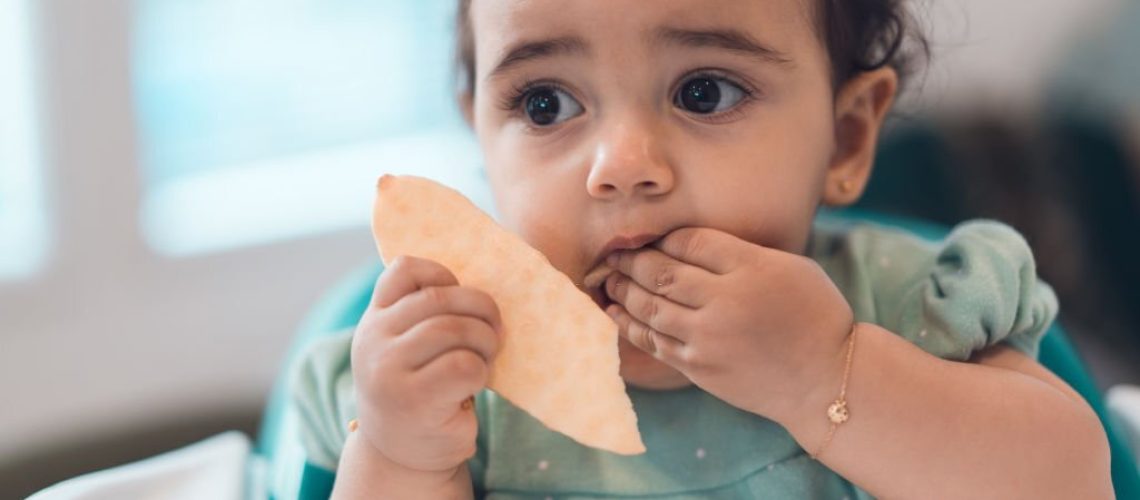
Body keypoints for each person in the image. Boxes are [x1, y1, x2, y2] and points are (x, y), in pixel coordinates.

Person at [289, 1, 1114, 497]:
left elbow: (1078, 480)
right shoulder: (457, 388)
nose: (621, 167)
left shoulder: (911, 312)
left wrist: (827, 373)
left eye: (703, 92)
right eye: (544, 104)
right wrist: (403, 455)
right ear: (480, 134)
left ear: (845, 137)